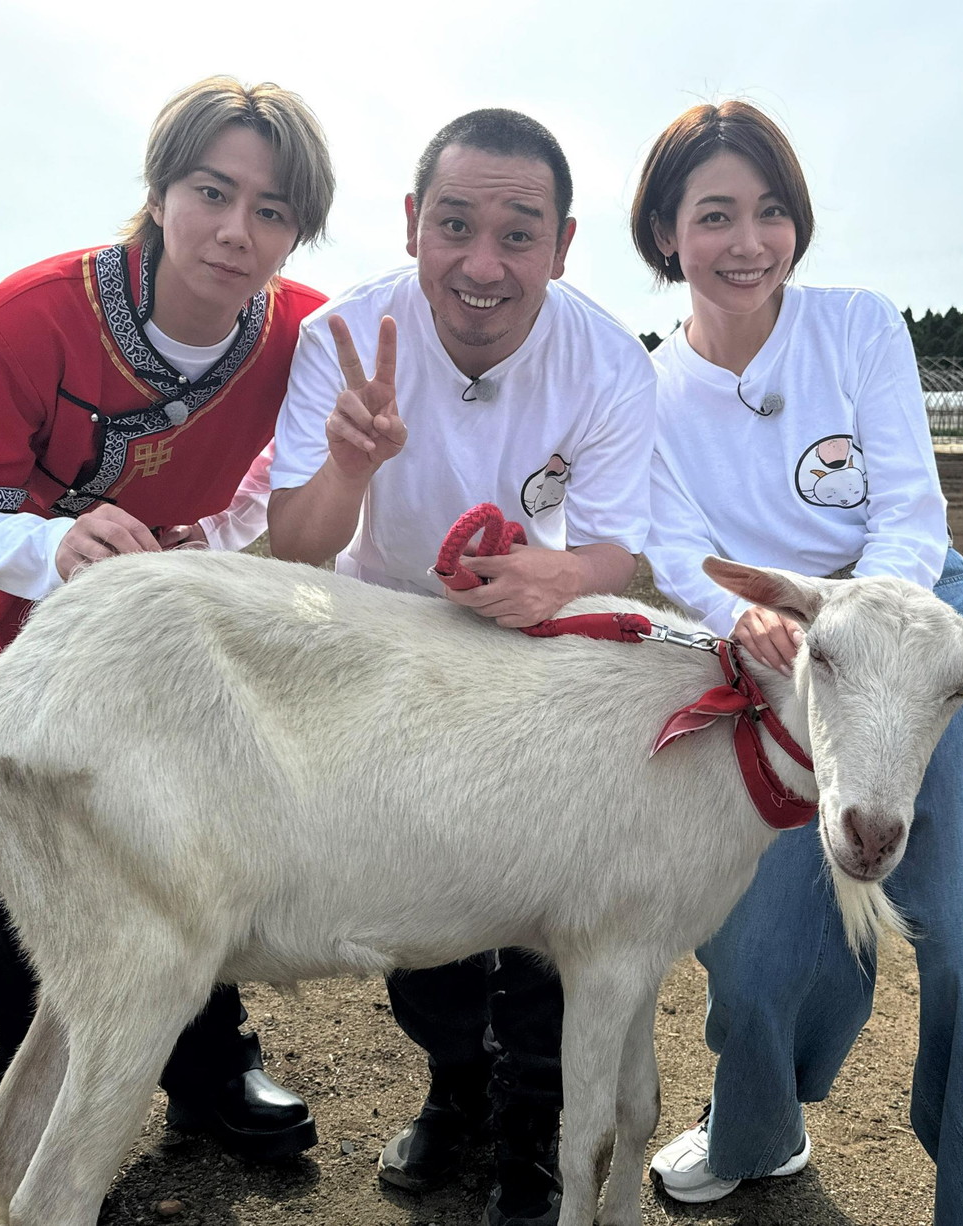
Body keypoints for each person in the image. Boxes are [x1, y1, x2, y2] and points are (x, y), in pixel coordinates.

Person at [0, 75, 335, 1162]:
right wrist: (55, 545)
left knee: (188, 826)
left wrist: (197, 551)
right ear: (160, 187)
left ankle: (208, 1069)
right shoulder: (22, 317)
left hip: (146, 616)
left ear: (296, 230)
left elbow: (269, 483)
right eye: (210, 191)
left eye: (271, 211)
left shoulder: (302, 335)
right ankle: (29, 1087)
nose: (235, 232)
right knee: (24, 844)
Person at [627, 100, 963, 1226]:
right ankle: (754, 1128)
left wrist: (843, 612)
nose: (747, 241)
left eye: (770, 211)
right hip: (764, 645)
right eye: (713, 214)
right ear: (665, 232)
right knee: (757, 945)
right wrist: (744, 618)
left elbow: (909, 508)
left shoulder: (857, 325)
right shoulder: (649, 392)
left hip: (911, 630)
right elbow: (674, 543)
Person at [268, 108, 655, 1226]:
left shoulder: (604, 359)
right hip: (392, 647)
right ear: (409, 224)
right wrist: (348, 462)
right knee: (415, 905)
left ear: (563, 245)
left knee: (541, 906)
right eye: (454, 226)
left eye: (517, 233)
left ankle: (530, 1134)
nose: (481, 266)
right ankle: (457, 1087)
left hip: (539, 654)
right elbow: (297, 544)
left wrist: (558, 573)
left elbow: (616, 544)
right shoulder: (343, 339)